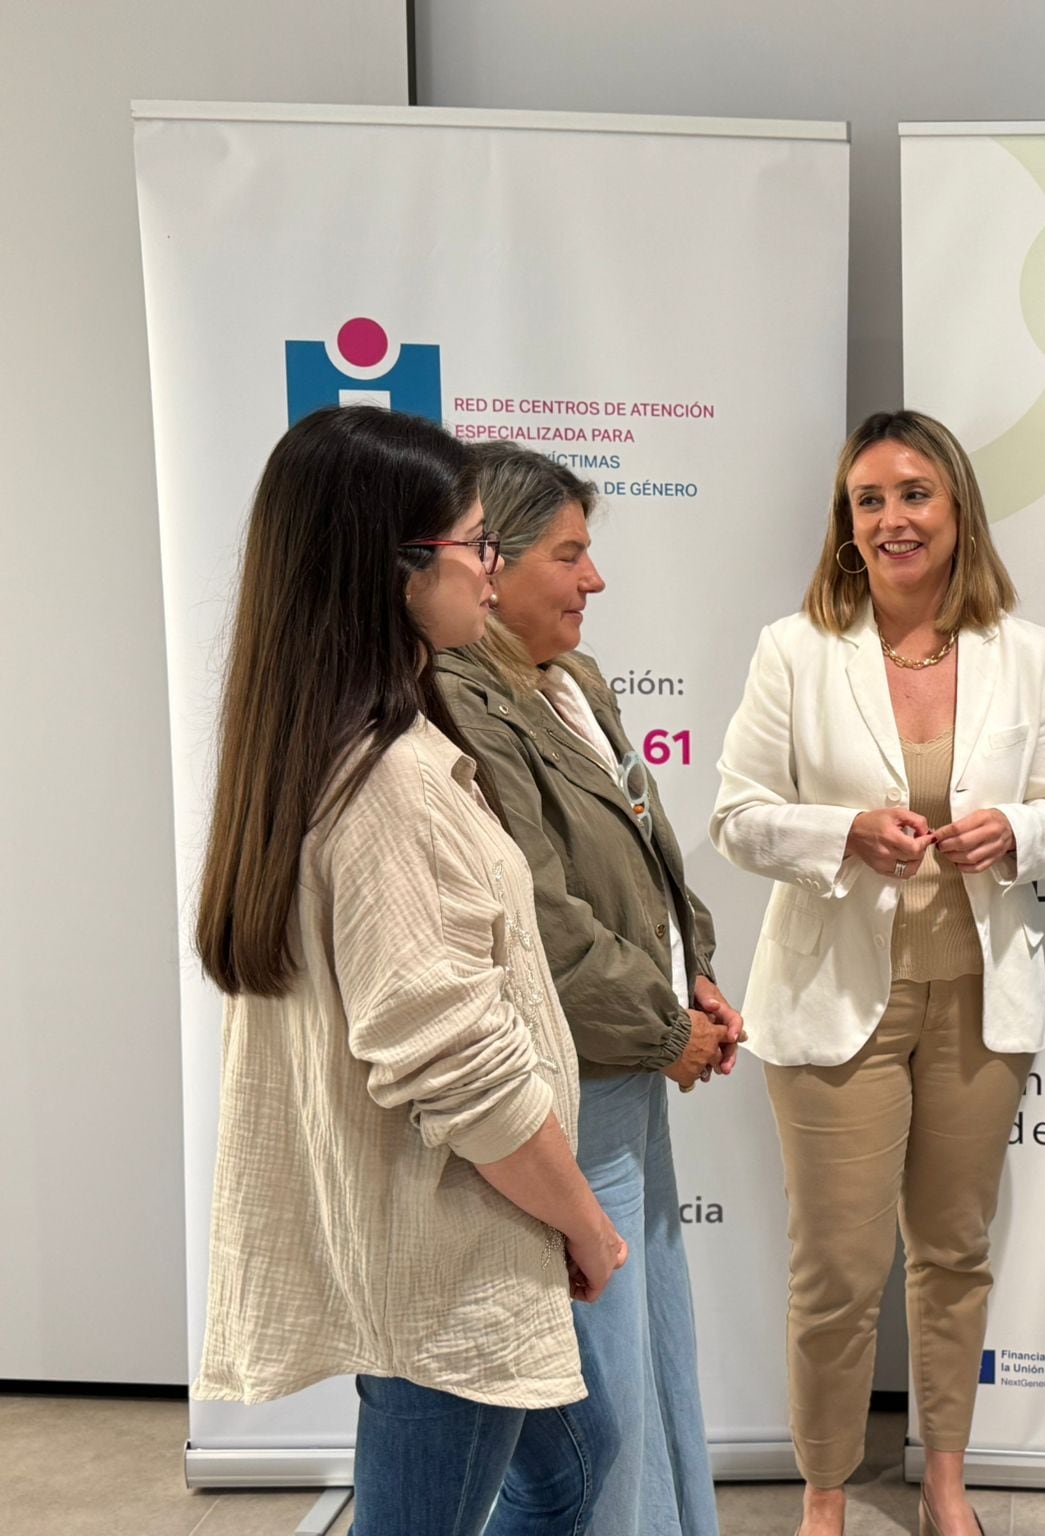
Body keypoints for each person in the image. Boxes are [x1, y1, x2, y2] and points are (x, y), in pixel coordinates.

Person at [193, 406, 624, 1536]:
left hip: (446, 1224)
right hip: (451, 1240)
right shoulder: (389, 785)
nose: (494, 572)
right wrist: (584, 1224)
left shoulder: (323, 742)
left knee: (578, 1458)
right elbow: (461, 1068)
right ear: (395, 569)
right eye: (477, 545)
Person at [710, 410, 1045, 1536]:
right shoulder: (795, 649)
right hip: (834, 1001)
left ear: (957, 508)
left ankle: (943, 1480)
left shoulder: (1029, 652)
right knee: (835, 1267)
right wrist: (841, 835)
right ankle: (824, 1493)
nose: (892, 519)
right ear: (846, 523)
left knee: (952, 1252)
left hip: (979, 994)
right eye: (868, 500)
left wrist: (1013, 835)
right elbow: (736, 818)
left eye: (914, 494)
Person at [435, 441, 737, 1536]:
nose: (592, 580)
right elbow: (540, 921)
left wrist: (693, 974)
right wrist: (665, 1028)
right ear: (494, 562)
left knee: (659, 1359)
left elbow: (650, 854)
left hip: (633, 1062)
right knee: (599, 1396)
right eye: (570, 556)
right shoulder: (458, 700)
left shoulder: (569, 680)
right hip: (574, 1082)